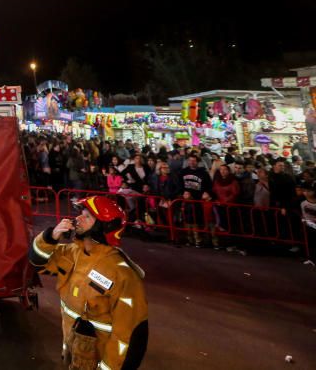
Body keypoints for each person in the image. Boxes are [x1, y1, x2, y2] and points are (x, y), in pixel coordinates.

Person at [29, 195, 149, 369]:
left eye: (87, 216)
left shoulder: (122, 274)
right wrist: (52, 236)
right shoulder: (72, 253)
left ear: (104, 226)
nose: (77, 219)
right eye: (80, 214)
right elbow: (37, 263)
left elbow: (130, 336)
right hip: (74, 355)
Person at [177, 154, 212, 247]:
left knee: (196, 219)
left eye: (194, 161)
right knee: (187, 219)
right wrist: (183, 192)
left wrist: (206, 192)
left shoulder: (203, 173)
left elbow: (209, 185)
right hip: (187, 199)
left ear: (197, 162)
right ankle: (190, 238)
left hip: (198, 200)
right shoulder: (183, 172)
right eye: (190, 160)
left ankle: (198, 238)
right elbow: (180, 184)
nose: (192, 162)